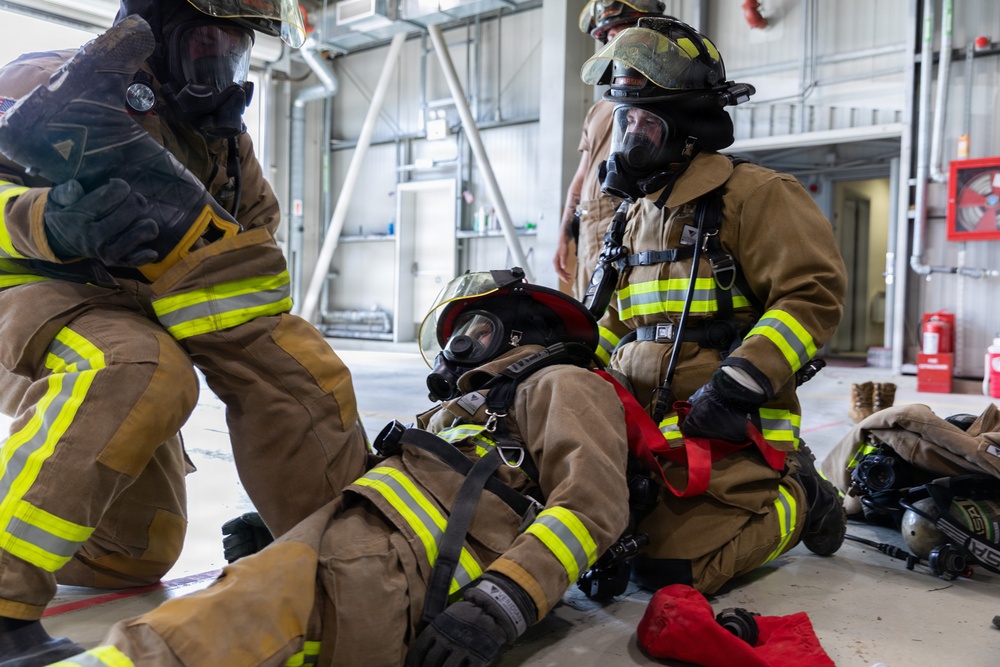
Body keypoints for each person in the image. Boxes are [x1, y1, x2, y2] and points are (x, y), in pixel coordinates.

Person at [0, 5, 368, 663]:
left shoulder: (225, 146)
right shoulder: (46, 84)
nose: (220, 66)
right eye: (206, 43)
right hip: (27, 305)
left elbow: (252, 270)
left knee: (135, 553)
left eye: (233, 49)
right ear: (153, 30)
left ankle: (352, 556)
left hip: (135, 323)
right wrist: (49, 222)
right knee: (142, 367)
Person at [49, 268, 631, 667]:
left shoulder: (562, 382)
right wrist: (296, 523)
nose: (461, 350)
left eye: (479, 331)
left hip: (399, 570)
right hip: (357, 541)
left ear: (528, 332)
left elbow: (591, 505)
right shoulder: (462, 413)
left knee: (208, 629)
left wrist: (503, 601)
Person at [577, 16, 850, 595]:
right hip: (643, 428)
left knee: (672, 573)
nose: (630, 140)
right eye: (626, 121)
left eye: (647, 123)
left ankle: (802, 494)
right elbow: (611, 323)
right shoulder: (632, 215)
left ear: (689, 127)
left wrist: (737, 386)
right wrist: (569, 375)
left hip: (729, 425)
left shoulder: (757, 196)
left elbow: (812, 295)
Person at [553, 0, 668, 362]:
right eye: (608, 35)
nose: (614, 40)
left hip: (629, 219)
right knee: (589, 319)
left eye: (623, 30)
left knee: (626, 317)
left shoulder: (664, 93)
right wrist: (564, 232)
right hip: (589, 227)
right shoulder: (601, 107)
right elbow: (582, 175)